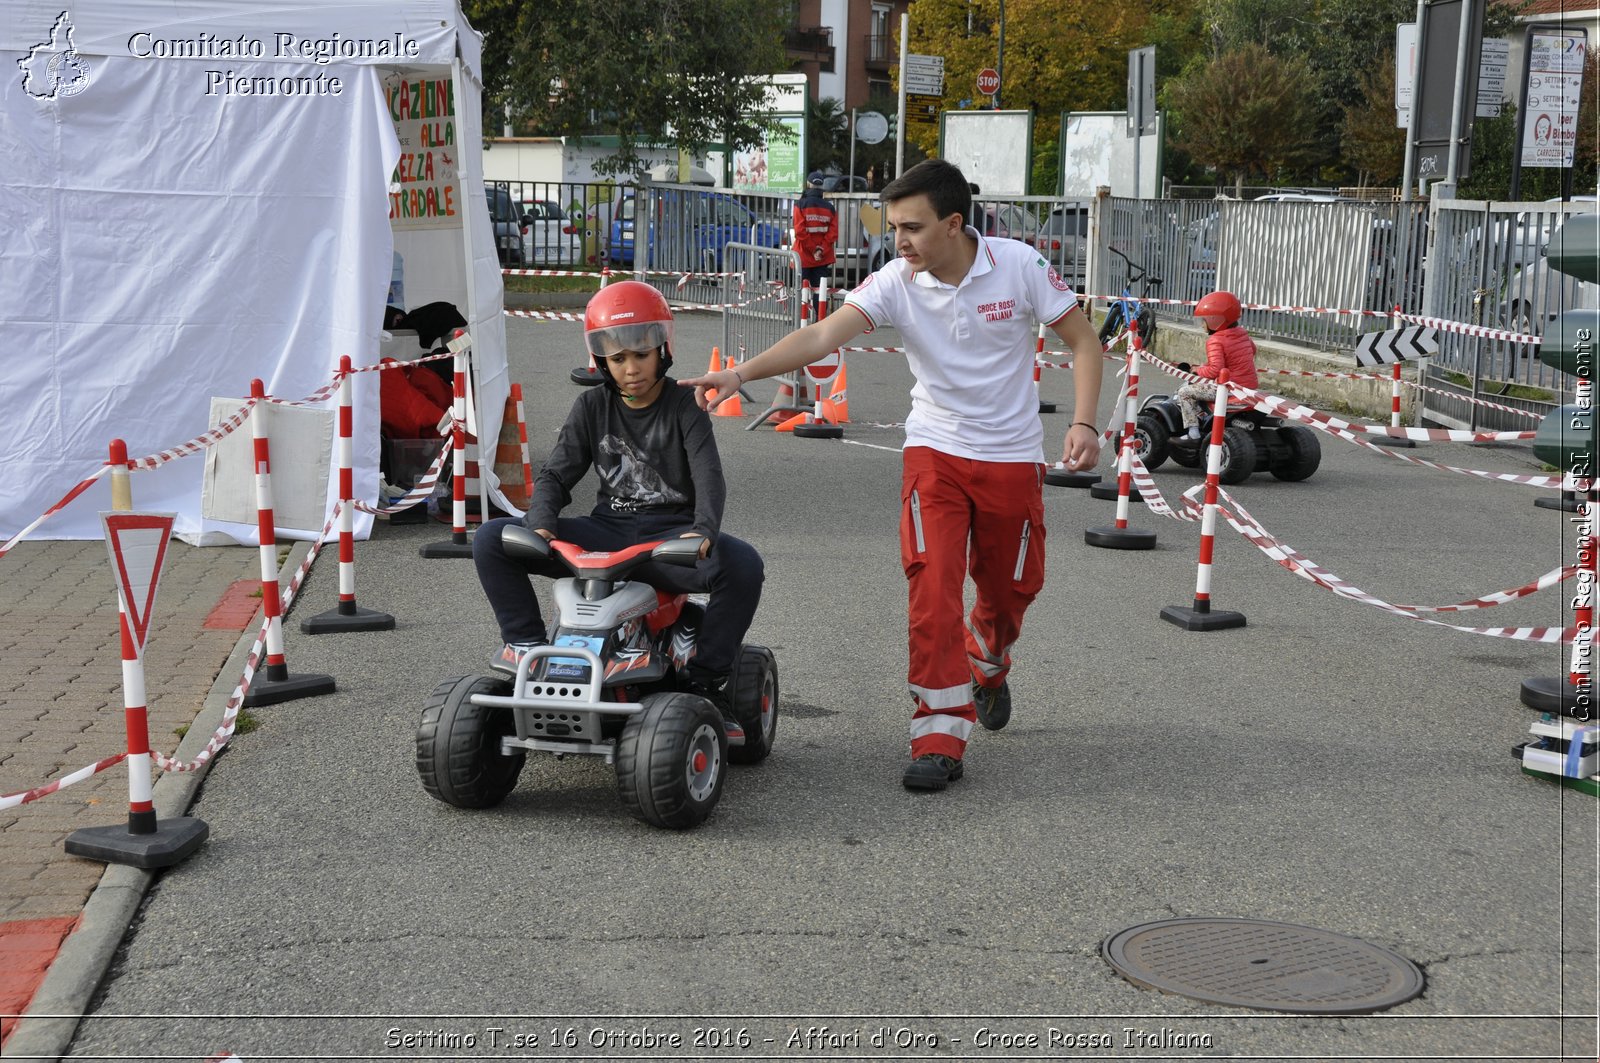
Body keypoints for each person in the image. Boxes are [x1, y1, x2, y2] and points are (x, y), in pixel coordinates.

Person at [681, 158, 1103, 792]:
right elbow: (824, 334)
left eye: (911, 226)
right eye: (894, 225)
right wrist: (740, 375)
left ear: (954, 224)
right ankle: (938, 731)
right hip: (933, 451)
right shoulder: (897, 280)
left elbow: (1084, 342)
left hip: (1011, 458)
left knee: (1012, 588)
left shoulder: (1017, 266)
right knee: (931, 589)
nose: (898, 240)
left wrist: (1084, 423)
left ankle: (987, 657)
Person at [471, 281, 765, 717]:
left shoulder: (686, 403)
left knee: (743, 565)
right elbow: (556, 473)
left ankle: (705, 679)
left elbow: (708, 475)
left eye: (641, 355)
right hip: (607, 531)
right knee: (492, 539)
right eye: (618, 358)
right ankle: (526, 646)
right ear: (601, 360)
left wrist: (702, 530)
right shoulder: (591, 406)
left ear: (663, 350)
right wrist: (541, 522)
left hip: (668, 541)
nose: (631, 368)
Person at [1175, 290, 1258, 439]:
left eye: (1204, 320)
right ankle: (1202, 417)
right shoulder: (1242, 333)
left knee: (1184, 392)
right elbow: (1253, 350)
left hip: (1229, 389)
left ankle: (1193, 432)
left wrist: (1196, 370)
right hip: (1247, 387)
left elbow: (1215, 370)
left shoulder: (1215, 340)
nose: (1202, 325)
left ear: (1216, 320)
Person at [793, 172, 839, 315]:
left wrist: (812, 249)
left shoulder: (800, 205)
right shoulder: (830, 208)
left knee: (801, 291)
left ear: (808, 185)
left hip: (803, 257)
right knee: (820, 291)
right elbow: (833, 234)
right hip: (822, 258)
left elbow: (799, 232)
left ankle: (801, 322)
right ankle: (819, 323)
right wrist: (820, 250)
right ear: (822, 186)